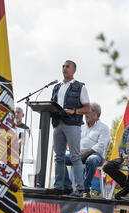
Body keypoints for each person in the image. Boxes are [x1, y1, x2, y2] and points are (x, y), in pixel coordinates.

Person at [49, 60, 91, 197]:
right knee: (59, 157)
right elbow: (52, 104)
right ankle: (59, 186)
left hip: (72, 124)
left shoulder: (80, 87)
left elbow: (87, 109)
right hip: (57, 123)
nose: (64, 68)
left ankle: (79, 189)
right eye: (63, 66)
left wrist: (73, 111)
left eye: (67, 66)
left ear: (74, 70)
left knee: (74, 156)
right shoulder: (56, 87)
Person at [63, 103, 110, 197]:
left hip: (96, 155)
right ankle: (67, 187)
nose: (85, 114)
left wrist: (85, 154)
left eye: (88, 112)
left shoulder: (104, 128)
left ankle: (85, 189)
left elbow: (101, 146)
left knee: (91, 160)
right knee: (61, 158)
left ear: (96, 114)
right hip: (78, 154)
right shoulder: (81, 127)